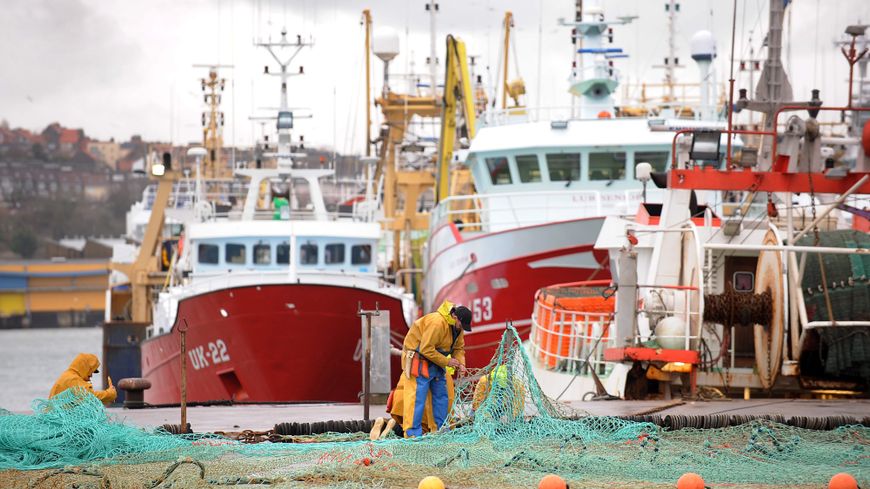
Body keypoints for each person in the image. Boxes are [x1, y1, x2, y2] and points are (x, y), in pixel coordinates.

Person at [400, 300, 472, 437]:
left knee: (442, 396)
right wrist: (447, 361)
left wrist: (461, 364)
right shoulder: (437, 323)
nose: (462, 328)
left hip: (437, 362)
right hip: (419, 360)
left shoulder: (458, 327)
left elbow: (458, 348)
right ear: (455, 317)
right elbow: (426, 348)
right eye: (461, 325)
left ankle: (442, 431)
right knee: (417, 398)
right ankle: (412, 434)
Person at [49, 353, 117, 406]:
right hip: (57, 419)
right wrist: (110, 394)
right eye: (91, 371)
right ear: (85, 367)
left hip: (57, 416)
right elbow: (90, 397)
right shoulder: (73, 379)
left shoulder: (69, 375)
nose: (91, 375)